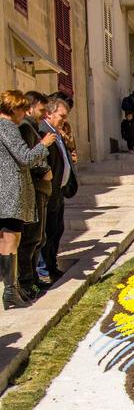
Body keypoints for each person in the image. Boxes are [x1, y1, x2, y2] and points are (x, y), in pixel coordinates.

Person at [0, 91, 55, 308]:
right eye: (22, 108)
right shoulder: (8, 128)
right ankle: (11, 291)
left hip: (6, 194)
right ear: (13, 108)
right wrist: (45, 144)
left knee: (6, 242)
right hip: (11, 194)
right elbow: (25, 159)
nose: (24, 113)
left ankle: (10, 291)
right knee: (11, 242)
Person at [16, 91, 53, 300]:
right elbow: (28, 157)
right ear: (30, 107)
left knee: (39, 238)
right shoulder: (25, 127)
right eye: (41, 109)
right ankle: (27, 283)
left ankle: (33, 279)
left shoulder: (31, 127)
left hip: (41, 190)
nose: (44, 113)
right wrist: (43, 170)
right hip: (35, 189)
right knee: (31, 238)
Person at [40, 96, 73, 282]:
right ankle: (44, 270)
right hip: (50, 191)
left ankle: (52, 266)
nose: (64, 119)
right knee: (48, 231)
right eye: (61, 115)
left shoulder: (56, 131)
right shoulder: (45, 132)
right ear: (50, 113)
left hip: (58, 190)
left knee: (56, 229)